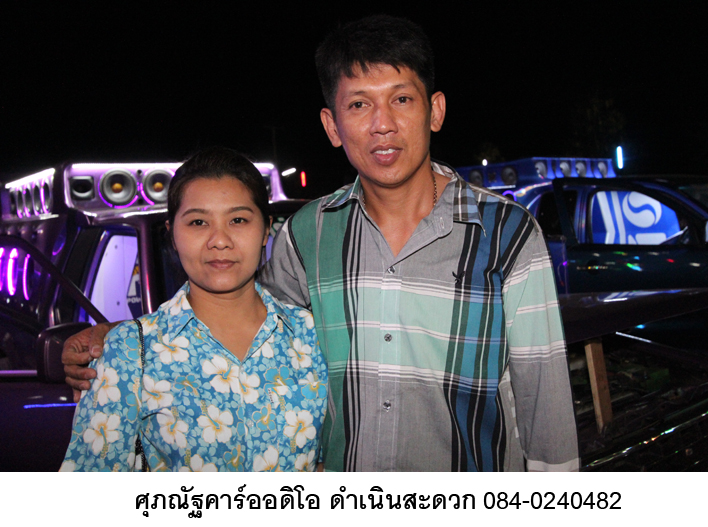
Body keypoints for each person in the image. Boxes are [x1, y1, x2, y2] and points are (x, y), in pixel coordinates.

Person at [63, 15, 578, 471]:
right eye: (359, 104)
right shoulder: (309, 233)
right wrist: (123, 339)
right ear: (332, 125)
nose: (383, 124)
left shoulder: (506, 234)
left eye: (401, 99)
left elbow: (546, 408)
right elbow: (239, 308)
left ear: (435, 110)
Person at [60, 147, 327, 471]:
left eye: (238, 220)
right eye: (198, 222)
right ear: (172, 234)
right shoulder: (129, 351)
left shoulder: (311, 336)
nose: (219, 240)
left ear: (265, 230)